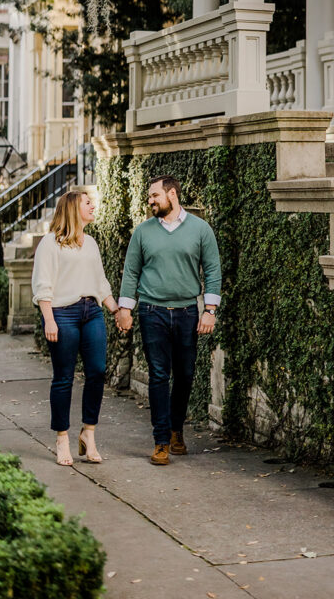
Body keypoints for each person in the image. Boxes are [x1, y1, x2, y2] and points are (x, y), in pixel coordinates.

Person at [115, 175, 221, 466]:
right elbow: (131, 272)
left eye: (154, 195)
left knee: (185, 375)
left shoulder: (200, 229)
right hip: (152, 312)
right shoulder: (143, 232)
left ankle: (176, 429)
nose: (150, 201)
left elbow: (212, 270)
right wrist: (125, 309)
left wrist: (209, 310)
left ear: (172, 194)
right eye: (149, 197)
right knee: (159, 375)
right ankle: (161, 440)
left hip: (188, 312)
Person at [31, 189, 118, 466]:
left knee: (97, 371)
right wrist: (49, 318)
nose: (93, 206)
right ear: (72, 209)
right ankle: (62, 438)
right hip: (62, 313)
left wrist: (115, 309)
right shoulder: (50, 243)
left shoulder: (90, 243)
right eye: (87, 203)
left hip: (91, 311)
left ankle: (88, 433)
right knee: (64, 377)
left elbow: (100, 281)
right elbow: (42, 284)